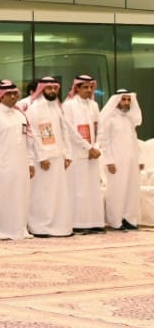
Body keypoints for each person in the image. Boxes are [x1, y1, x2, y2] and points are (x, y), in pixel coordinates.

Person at [22, 76, 72, 237]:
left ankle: (58, 226)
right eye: (49, 88)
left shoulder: (57, 107)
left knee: (57, 194)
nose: (52, 91)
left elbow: (64, 131)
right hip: (42, 159)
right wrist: (42, 156)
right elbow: (34, 135)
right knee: (41, 194)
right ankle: (40, 227)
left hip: (58, 157)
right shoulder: (34, 108)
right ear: (42, 89)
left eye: (55, 88)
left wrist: (67, 154)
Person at [0, 81, 33, 241]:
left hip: (20, 164)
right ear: (0, 96)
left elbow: (28, 141)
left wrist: (30, 162)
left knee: (20, 196)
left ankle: (19, 228)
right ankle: (0, 229)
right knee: (0, 198)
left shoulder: (20, 115)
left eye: (15, 94)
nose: (13, 97)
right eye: (9, 94)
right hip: (1, 164)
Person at [63, 75, 104, 233]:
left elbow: (99, 128)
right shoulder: (69, 106)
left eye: (90, 87)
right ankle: (79, 223)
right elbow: (71, 131)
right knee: (78, 188)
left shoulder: (94, 105)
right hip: (77, 152)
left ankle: (95, 222)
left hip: (93, 153)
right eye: (85, 87)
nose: (89, 90)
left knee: (93, 188)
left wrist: (96, 147)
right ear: (77, 88)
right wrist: (88, 147)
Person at [99, 89, 143, 231]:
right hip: (116, 161)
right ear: (117, 100)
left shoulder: (129, 119)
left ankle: (128, 219)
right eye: (123, 99)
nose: (126, 102)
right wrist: (109, 161)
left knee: (131, 190)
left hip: (131, 160)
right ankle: (115, 221)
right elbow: (104, 142)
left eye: (129, 100)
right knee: (117, 191)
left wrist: (139, 159)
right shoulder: (110, 118)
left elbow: (134, 141)